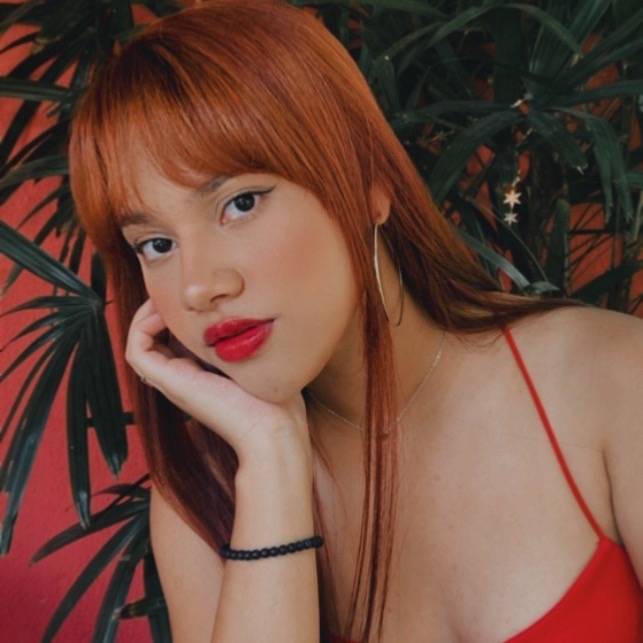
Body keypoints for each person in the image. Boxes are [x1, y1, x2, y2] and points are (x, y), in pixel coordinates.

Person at [67, 1, 643, 641]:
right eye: (156, 244)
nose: (199, 286)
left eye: (241, 203)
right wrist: (272, 457)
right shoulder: (202, 498)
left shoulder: (610, 380)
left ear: (370, 185)